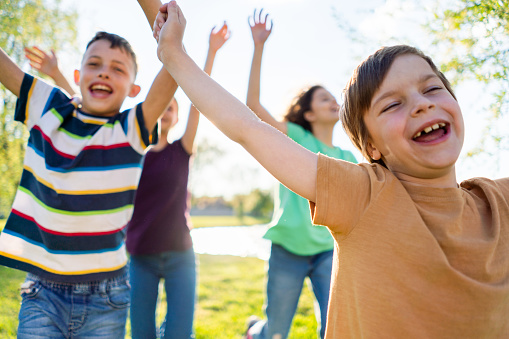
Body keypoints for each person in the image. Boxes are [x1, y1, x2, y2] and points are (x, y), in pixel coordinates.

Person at [153, 2, 509, 338]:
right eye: (393, 104)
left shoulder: (498, 201)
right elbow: (249, 126)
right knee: (277, 325)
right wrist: (174, 54)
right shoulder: (364, 192)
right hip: (289, 248)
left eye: (432, 87)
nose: (422, 104)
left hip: (319, 250)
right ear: (371, 148)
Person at [0, 26, 177, 337]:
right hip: (43, 292)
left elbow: (175, 67)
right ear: (78, 74)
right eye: (94, 64)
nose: (104, 73)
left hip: (106, 297)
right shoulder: (49, 108)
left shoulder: (131, 130)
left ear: (134, 89)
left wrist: (165, 26)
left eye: (117, 69)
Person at [244, 9, 356, 339]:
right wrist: (259, 46)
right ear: (308, 112)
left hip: (326, 250)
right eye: (324, 99)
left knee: (332, 325)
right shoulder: (294, 136)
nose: (333, 101)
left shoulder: (348, 156)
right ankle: (256, 331)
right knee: (277, 330)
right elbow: (252, 105)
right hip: (288, 248)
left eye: (334, 97)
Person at [126, 21, 230, 339]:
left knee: (179, 334)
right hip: (140, 255)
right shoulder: (131, 152)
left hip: (179, 253)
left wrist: (211, 52)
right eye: (162, 105)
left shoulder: (181, 150)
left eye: (173, 107)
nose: (166, 110)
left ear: (176, 117)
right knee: (142, 334)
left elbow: (199, 103)